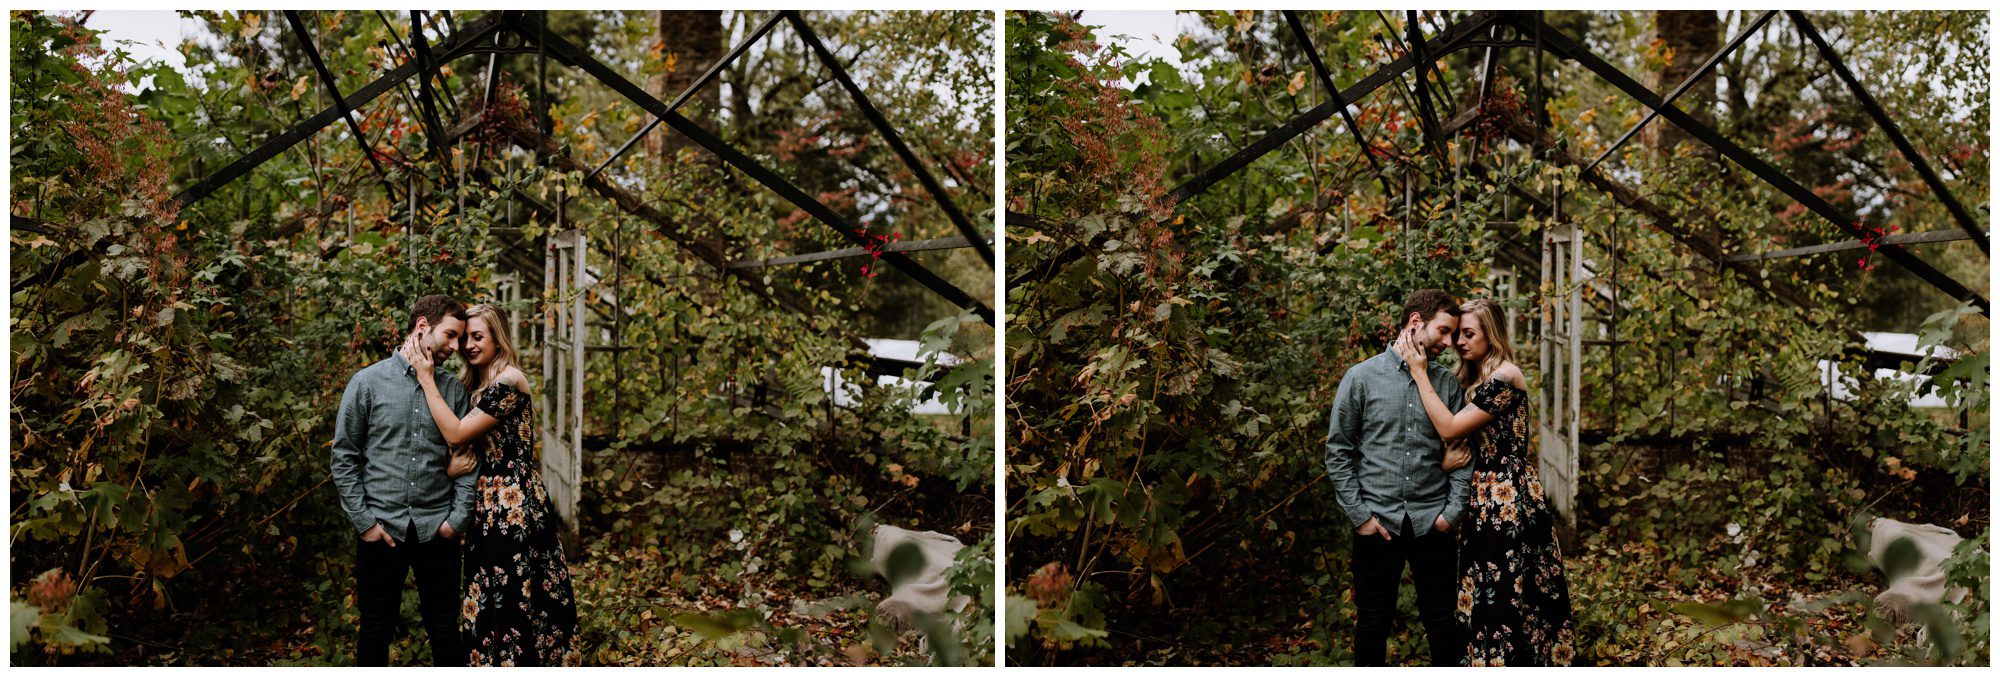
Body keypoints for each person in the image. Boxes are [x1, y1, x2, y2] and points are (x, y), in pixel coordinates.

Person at [1395, 298, 1575, 666]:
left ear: (1490, 335)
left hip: (1508, 496)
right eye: (1456, 334)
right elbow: (1446, 439)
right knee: (1482, 590)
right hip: (1479, 495)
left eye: (1468, 334)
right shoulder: (1467, 380)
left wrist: (1418, 372)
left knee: (1509, 590)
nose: (1458, 342)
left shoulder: (1506, 376)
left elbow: (1450, 428)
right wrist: (1444, 463)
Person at [404, 304, 580, 667]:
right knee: (487, 594)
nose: (467, 345)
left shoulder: (509, 381)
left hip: (513, 503)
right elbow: (456, 447)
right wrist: (450, 470)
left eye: (477, 337)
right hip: (485, 503)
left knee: (516, 595)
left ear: (498, 340)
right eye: (464, 337)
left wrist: (425, 377)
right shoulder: (471, 386)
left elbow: (456, 434)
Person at [1324, 288, 1471, 666]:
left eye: (1453, 334)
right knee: (1372, 625)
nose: (1449, 343)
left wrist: (1451, 514)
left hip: (1433, 523)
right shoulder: (1360, 378)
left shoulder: (1447, 384)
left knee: (1442, 624)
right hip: (1378, 523)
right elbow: (1338, 451)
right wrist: (1361, 517)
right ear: (1416, 322)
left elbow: (1463, 455)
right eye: (1444, 331)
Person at [330, 294, 475, 666]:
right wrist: (365, 523)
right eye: (451, 335)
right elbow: (344, 457)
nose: (456, 347)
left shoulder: (453, 390)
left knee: (445, 630)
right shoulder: (366, 383)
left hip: (437, 530)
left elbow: (468, 462)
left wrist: (455, 522)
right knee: (375, 629)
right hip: (382, 530)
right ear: (423, 326)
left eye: (460, 338)